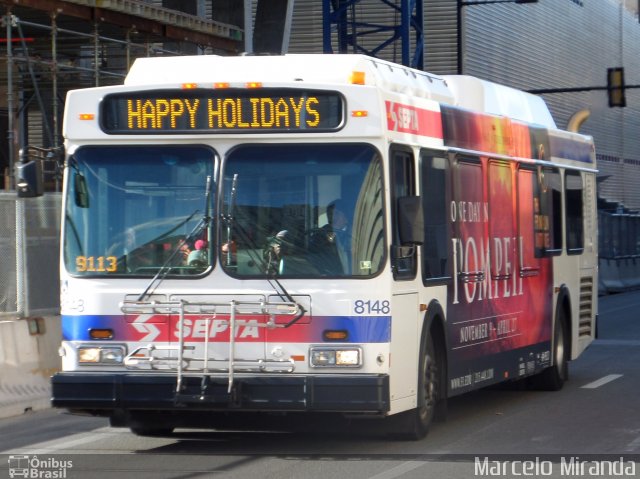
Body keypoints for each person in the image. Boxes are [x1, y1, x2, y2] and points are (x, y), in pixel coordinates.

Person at [311, 200, 352, 275]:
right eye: (330, 214)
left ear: (346, 217)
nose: (332, 217)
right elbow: (315, 258)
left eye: (336, 213)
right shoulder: (320, 234)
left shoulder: (355, 233)